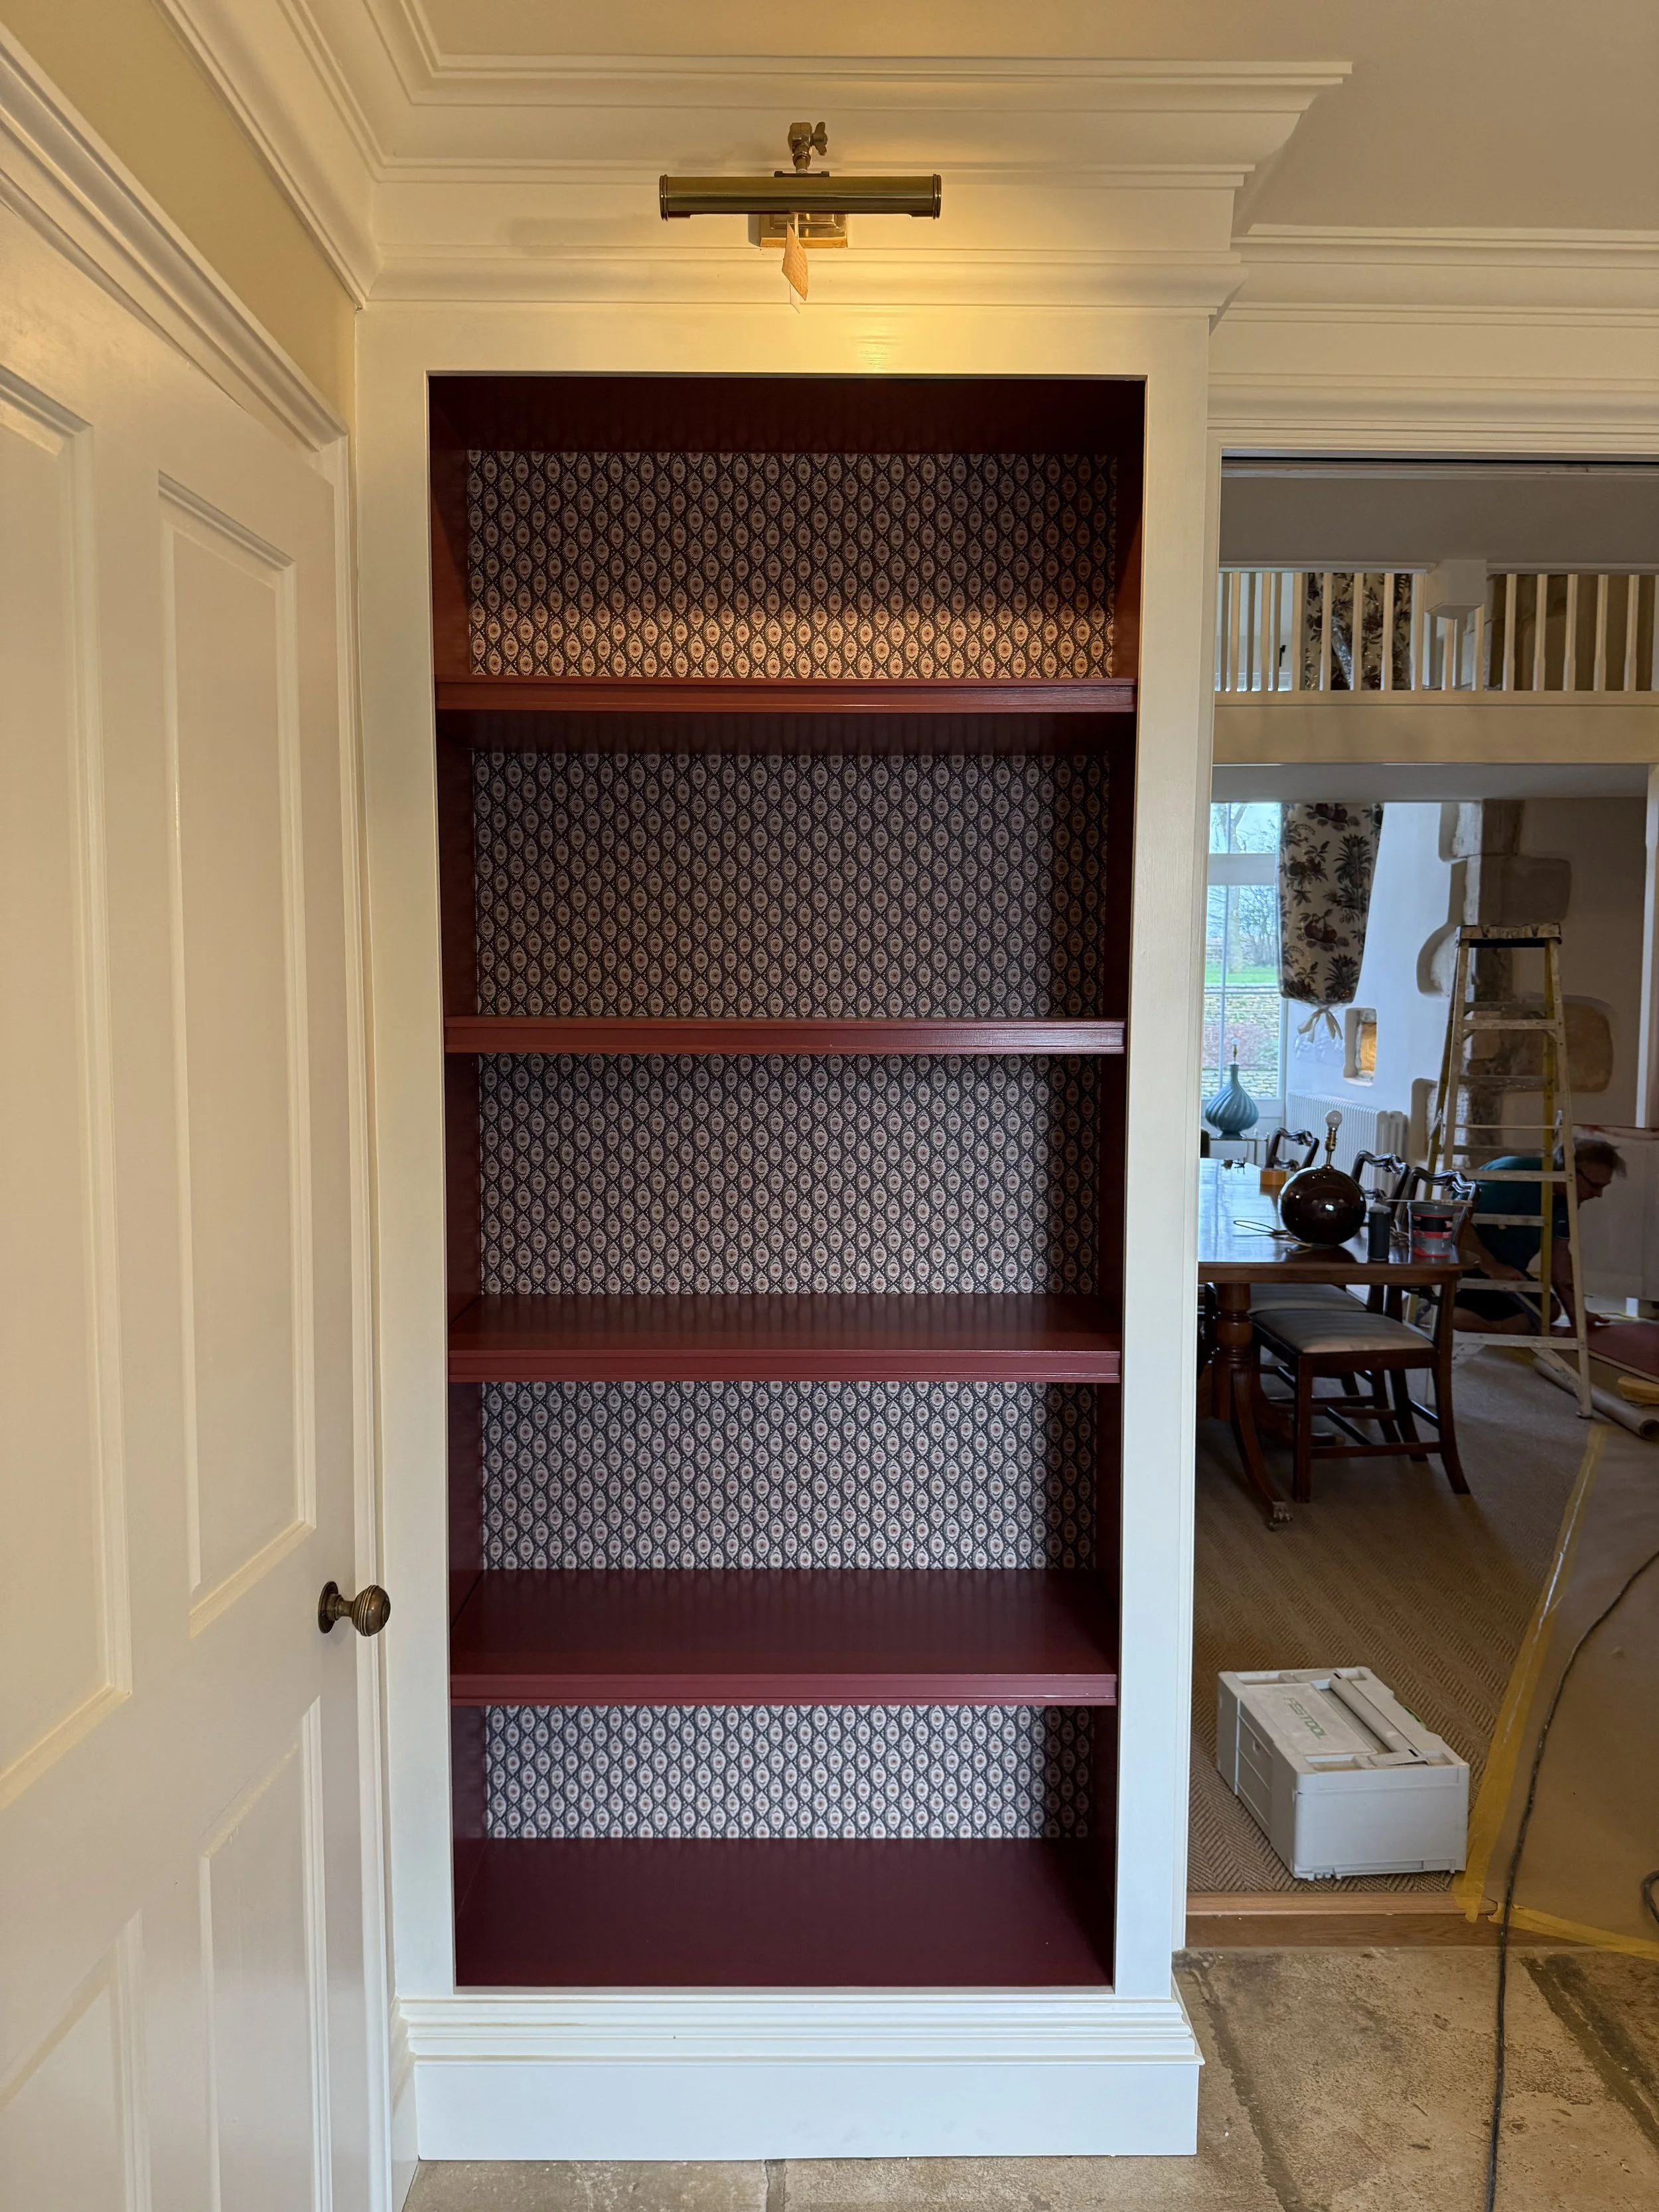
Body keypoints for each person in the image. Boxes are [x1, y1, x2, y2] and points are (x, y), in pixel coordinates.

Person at [1453, 1137, 1624, 1333]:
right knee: (1515, 1320)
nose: (1598, 1194)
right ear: (1568, 1170)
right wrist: (1491, 1266)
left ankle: (1493, 1322)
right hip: (1470, 1265)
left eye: (1603, 1186)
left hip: (1509, 1271)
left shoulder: (1570, 1198)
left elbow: (1559, 1256)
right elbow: (1456, 1220)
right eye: (1594, 1185)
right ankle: (1439, 1311)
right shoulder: (1515, 1177)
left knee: (1551, 1309)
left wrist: (1577, 1314)